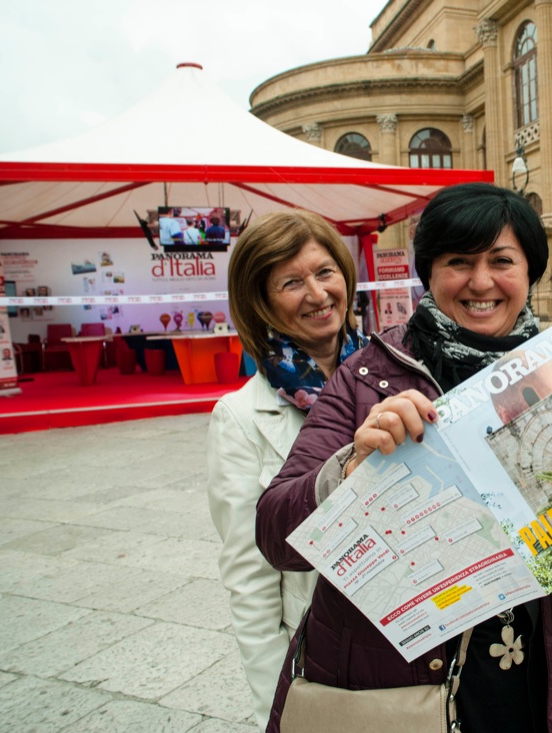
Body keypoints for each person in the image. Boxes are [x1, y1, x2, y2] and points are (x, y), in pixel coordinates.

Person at [256, 182, 552, 733]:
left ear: (530, 271)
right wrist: (351, 469)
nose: (481, 281)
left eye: (502, 261)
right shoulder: (368, 375)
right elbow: (275, 537)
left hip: (541, 685)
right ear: (430, 272)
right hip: (397, 694)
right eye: (459, 262)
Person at [206, 210, 367, 730]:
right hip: (323, 654)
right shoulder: (240, 417)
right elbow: (250, 583)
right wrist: (281, 707)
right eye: (292, 283)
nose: (318, 294)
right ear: (261, 302)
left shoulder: (393, 372)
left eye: (325, 272)